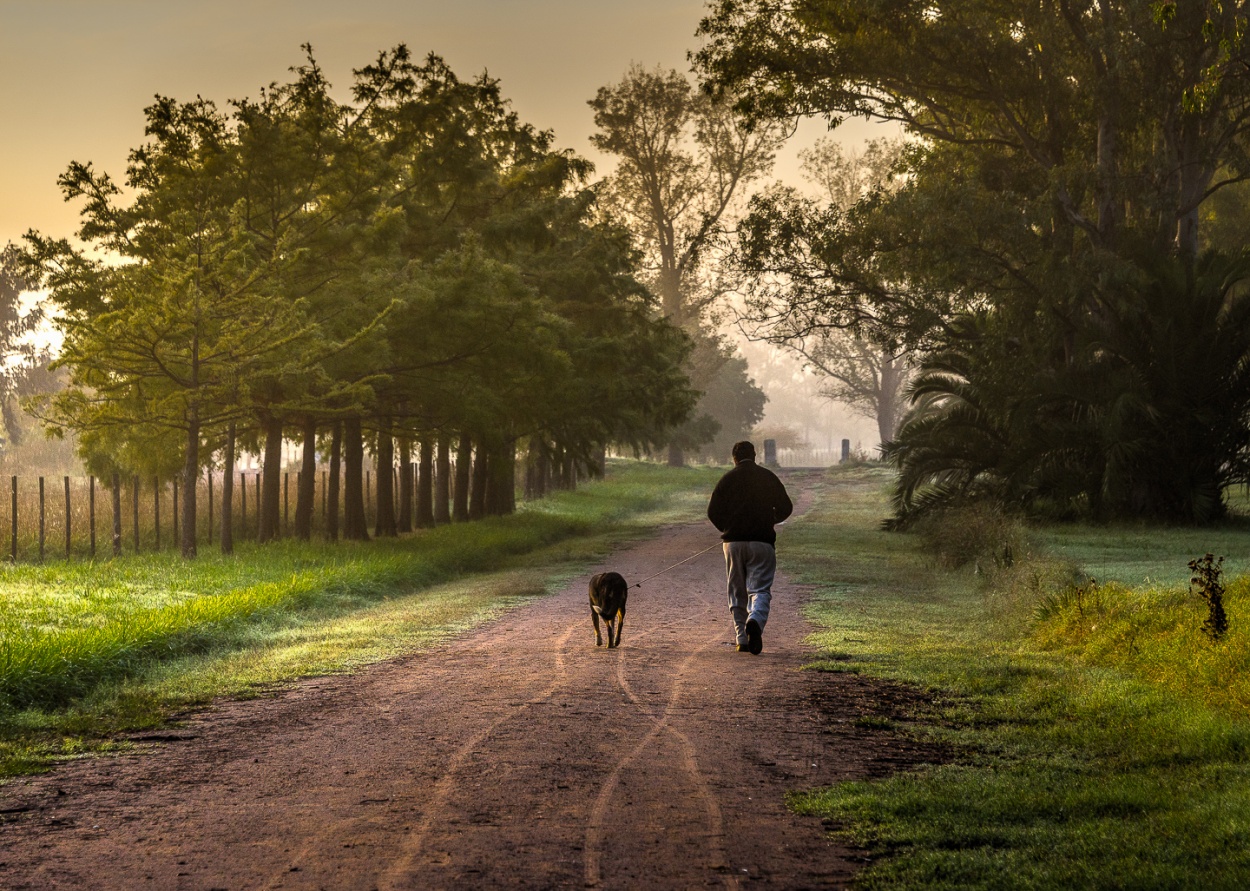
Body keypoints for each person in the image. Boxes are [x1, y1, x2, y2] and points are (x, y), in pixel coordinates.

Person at [706, 440, 793, 655]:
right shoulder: (768, 477)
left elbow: (712, 511)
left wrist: (727, 528)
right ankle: (755, 620)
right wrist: (771, 520)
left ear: (733, 458)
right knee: (760, 589)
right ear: (755, 456)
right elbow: (786, 507)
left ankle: (741, 639)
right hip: (762, 542)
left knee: (736, 589)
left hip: (733, 543)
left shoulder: (727, 479)